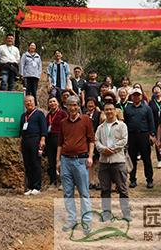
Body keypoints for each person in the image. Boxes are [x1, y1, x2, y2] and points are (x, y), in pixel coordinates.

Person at [57, 95, 94, 235]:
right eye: (69, 105)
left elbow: (91, 140)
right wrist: (58, 160)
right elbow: (60, 143)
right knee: (68, 193)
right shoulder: (63, 123)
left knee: (84, 192)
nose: (72, 108)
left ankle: (87, 222)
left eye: (75, 105)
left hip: (80, 161)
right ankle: (71, 220)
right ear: (66, 106)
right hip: (65, 161)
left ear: (79, 106)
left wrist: (90, 157)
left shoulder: (86, 120)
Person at [95, 102, 130, 221]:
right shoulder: (100, 127)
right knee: (105, 189)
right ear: (104, 112)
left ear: (115, 111)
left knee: (122, 188)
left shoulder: (122, 125)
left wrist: (112, 149)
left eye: (111, 109)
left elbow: (124, 140)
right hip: (104, 162)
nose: (109, 111)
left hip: (118, 161)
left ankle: (126, 214)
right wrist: (104, 149)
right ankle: (106, 214)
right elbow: (96, 141)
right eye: (107, 110)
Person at [123, 87, 155, 189]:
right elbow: (125, 124)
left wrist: (152, 135)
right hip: (131, 136)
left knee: (146, 159)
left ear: (141, 96)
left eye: (138, 95)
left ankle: (149, 180)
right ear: (131, 97)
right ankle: (132, 180)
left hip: (144, 135)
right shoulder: (127, 109)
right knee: (132, 159)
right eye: (134, 95)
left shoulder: (147, 108)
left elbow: (151, 122)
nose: (136, 97)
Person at [20, 95, 48, 195]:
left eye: (30, 101)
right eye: (26, 101)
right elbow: (21, 129)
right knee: (27, 164)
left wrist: (43, 139)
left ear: (34, 102)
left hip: (35, 139)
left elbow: (44, 128)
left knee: (35, 163)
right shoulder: (23, 116)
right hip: (25, 141)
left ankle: (37, 187)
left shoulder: (39, 114)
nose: (29, 103)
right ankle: (30, 187)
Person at [45, 96, 68, 188]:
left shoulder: (63, 113)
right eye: (50, 102)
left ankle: (63, 182)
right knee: (51, 161)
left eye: (54, 101)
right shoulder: (48, 115)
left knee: (62, 160)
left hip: (59, 138)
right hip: (49, 139)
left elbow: (67, 126)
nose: (52, 103)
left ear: (58, 103)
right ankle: (53, 181)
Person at [85, 97, 102, 190]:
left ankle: (98, 181)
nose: (90, 105)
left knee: (98, 161)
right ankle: (91, 181)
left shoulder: (99, 114)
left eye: (92, 103)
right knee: (89, 161)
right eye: (88, 103)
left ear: (95, 105)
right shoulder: (84, 115)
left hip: (97, 140)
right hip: (87, 141)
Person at [148, 85, 161, 169]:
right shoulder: (151, 103)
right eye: (155, 90)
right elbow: (150, 115)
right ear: (153, 93)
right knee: (158, 143)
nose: (156, 91)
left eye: (158, 89)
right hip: (155, 124)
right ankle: (159, 160)